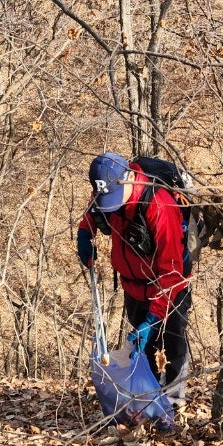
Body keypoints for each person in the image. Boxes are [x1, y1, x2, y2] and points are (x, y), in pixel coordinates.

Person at [77, 153, 191, 432]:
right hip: (132, 286)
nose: (111, 203)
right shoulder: (108, 192)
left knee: (173, 347)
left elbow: (172, 271)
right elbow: (92, 215)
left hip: (169, 289)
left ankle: (172, 404)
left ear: (129, 177)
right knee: (144, 350)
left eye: (115, 195)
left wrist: (153, 319)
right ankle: (146, 403)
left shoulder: (158, 205)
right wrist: (84, 235)